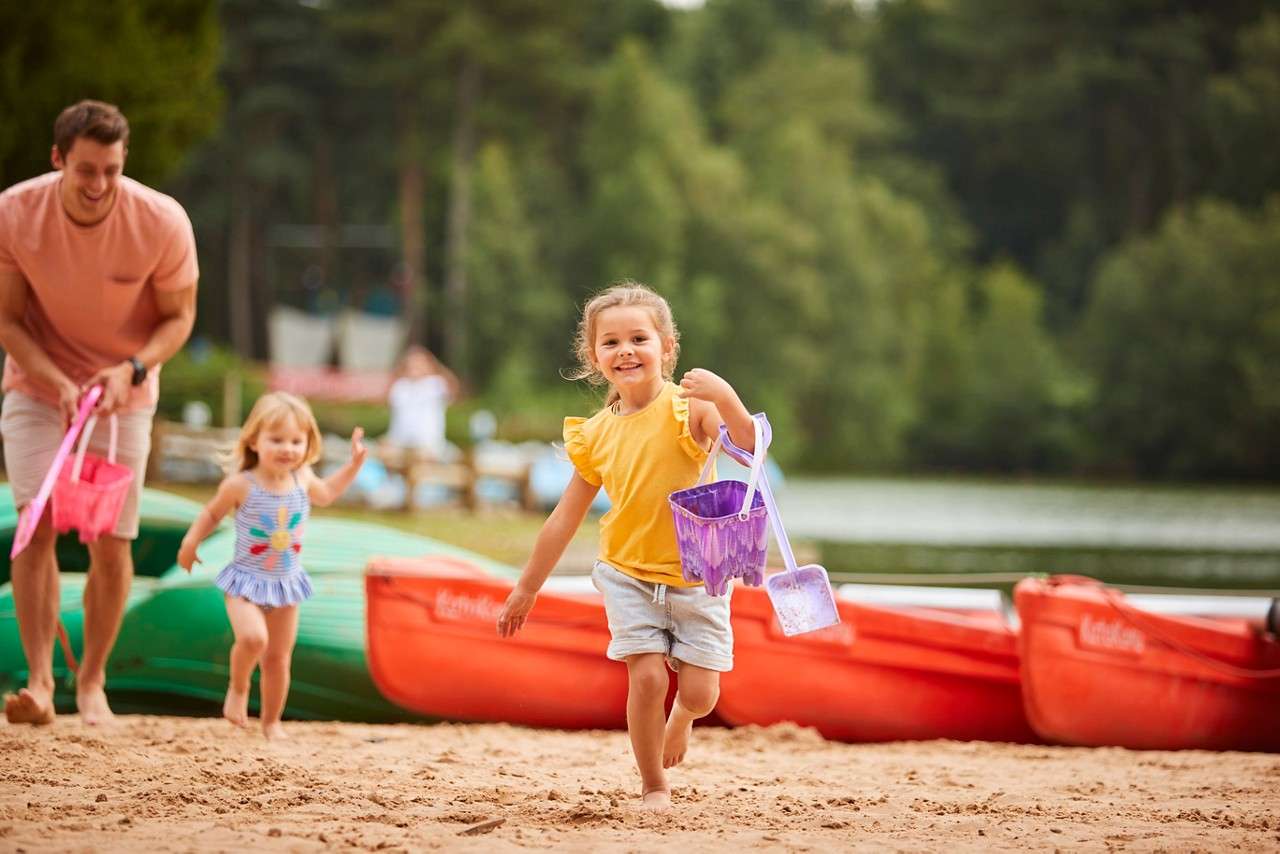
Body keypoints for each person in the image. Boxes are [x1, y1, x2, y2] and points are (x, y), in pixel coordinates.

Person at [496, 281, 755, 810]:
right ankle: (653, 784)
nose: (626, 350)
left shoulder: (691, 408)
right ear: (593, 356)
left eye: (639, 338)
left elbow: (751, 450)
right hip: (627, 572)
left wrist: (726, 397)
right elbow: (565, 516)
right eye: (610, 342)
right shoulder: (594, 434)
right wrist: (526, 588)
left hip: (700, 570)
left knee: (702, 695)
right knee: (645, 678)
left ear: (667, 346)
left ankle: (683, 719)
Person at [0, 100, 198, 725]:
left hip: (124, 393)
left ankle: (92, 683)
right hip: (37, 385)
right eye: (86, 170)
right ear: (58, 159)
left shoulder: (161, 221)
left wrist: (133, 368)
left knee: (112, 542)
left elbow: (179, 317)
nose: (99, 185)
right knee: (36, 524)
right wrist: (52, 377)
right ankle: (37, 683)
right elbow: (6, 317)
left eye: (111, 170)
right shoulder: (14, 213)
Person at [176, 392, 367, 739]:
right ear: (254, 440)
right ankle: (237, 688)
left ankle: (271, 722)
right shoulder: (240, 485)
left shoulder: (303, 479)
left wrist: (353, 466)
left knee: (278, 659)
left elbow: (327, 494)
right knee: (253, 639)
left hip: (286, 584)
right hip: (246, 583)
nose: (287, 449)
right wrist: (191, 542)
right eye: (276, 440)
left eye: (296, 441)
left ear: (308, 444)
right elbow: (211, 513)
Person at [383, 345, 459, 459]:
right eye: (412, 364)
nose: (415, 367)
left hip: (428, 445)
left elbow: (453, 387)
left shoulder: (436, 384)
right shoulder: (400, 386)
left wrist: (437, 366)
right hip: (400, 442)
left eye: (420, 364)